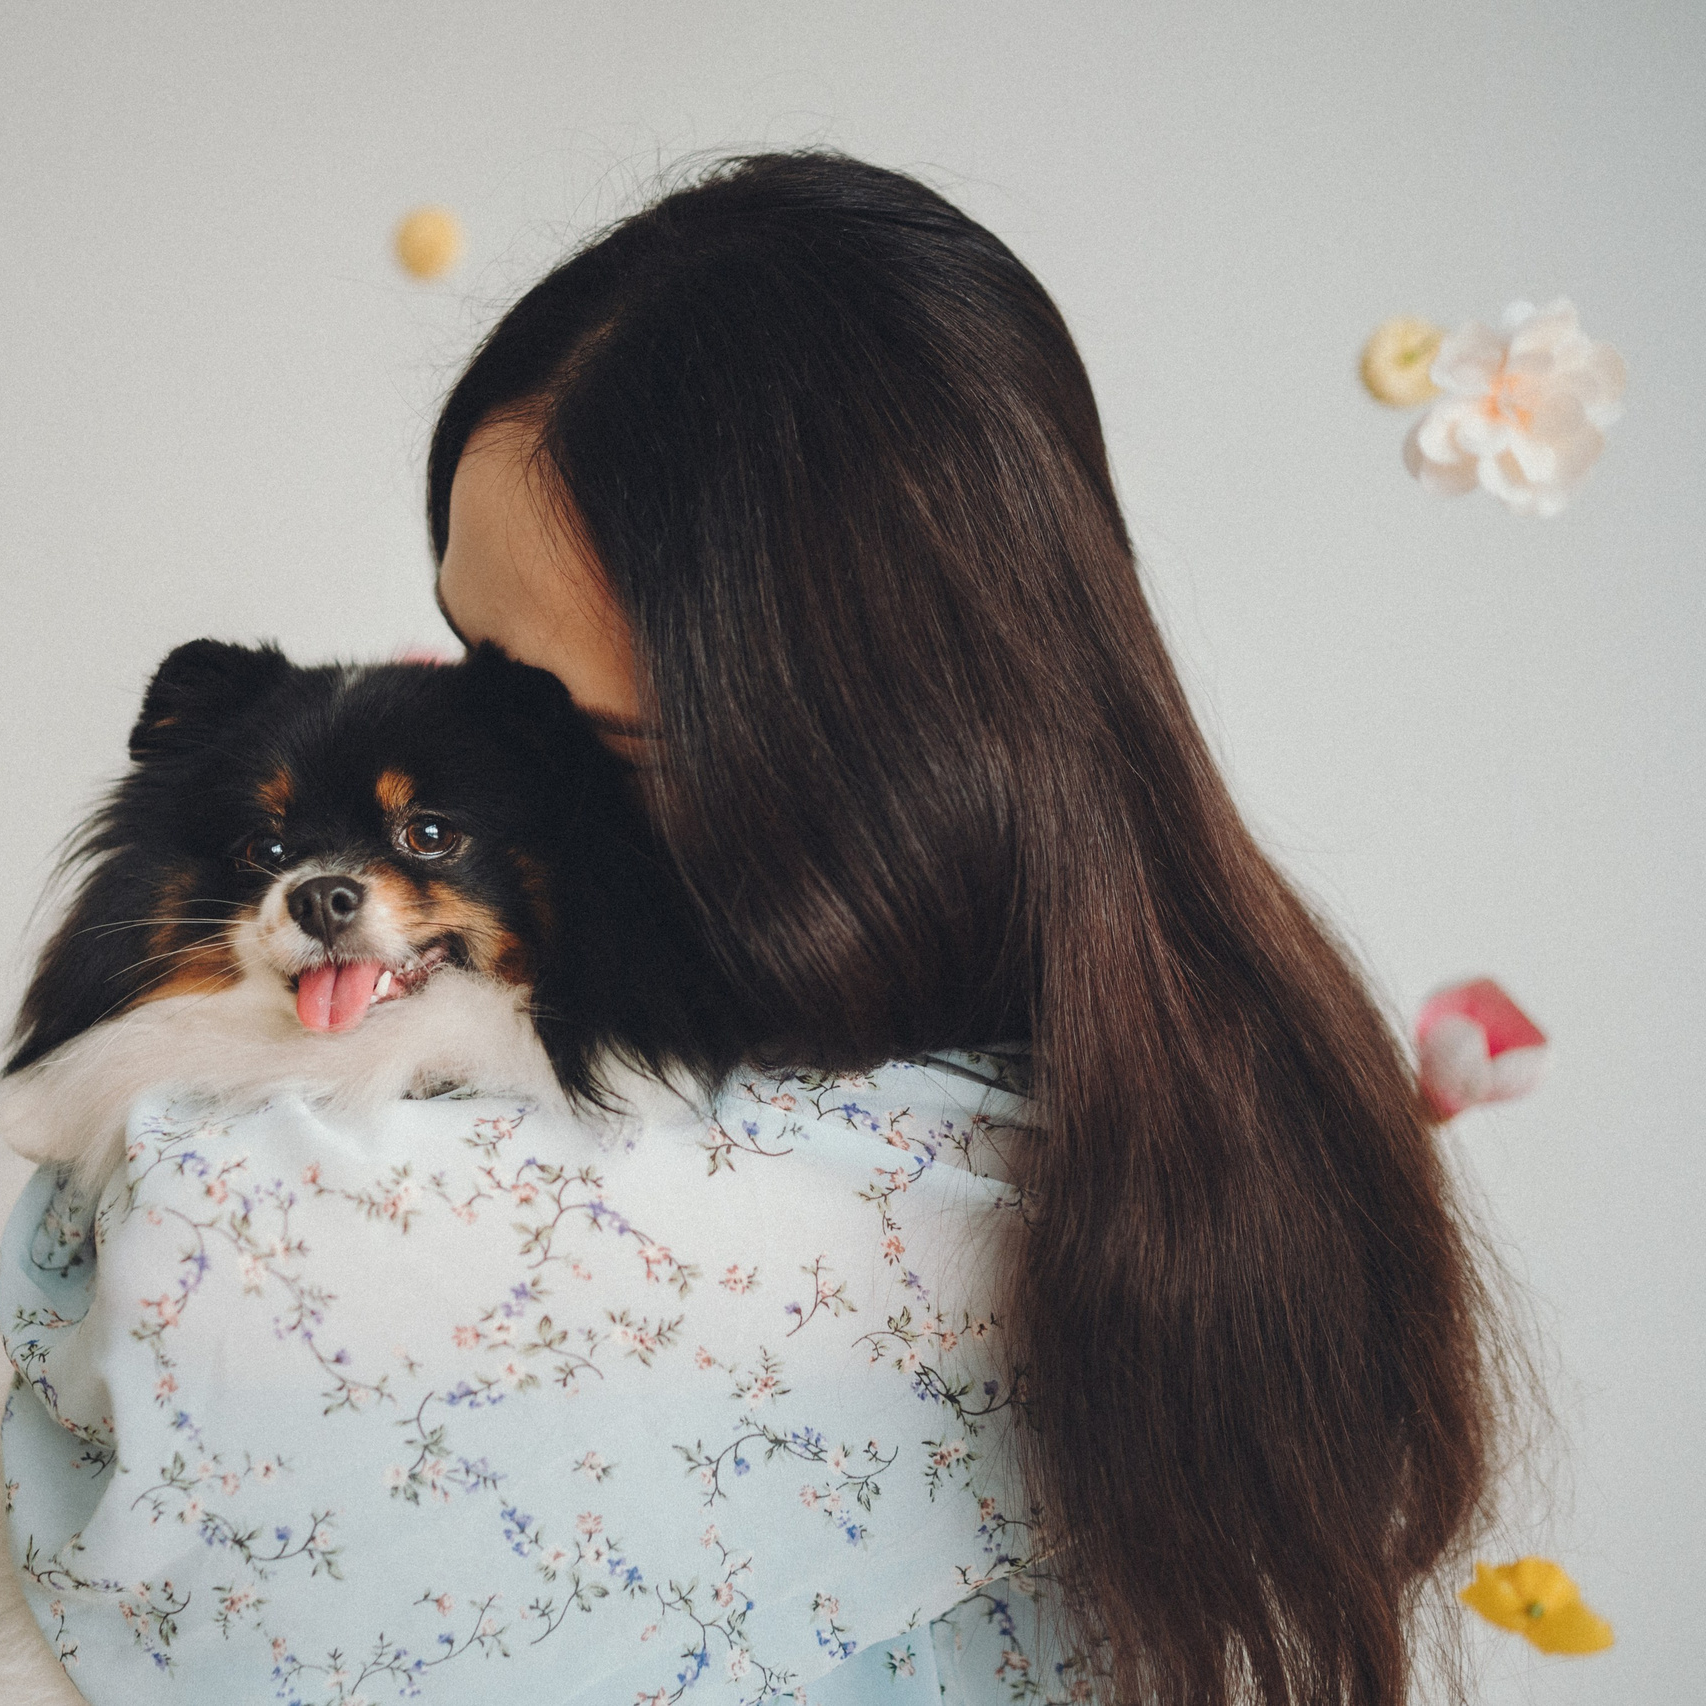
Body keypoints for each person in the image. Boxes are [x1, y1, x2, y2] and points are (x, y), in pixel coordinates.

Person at [428, 151, 1502, 1705]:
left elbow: (128, 1305)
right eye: (462, 650)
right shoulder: (1217, 1095)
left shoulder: (814, 1214)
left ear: (854, 764)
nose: (460, 764)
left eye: (568, 733)